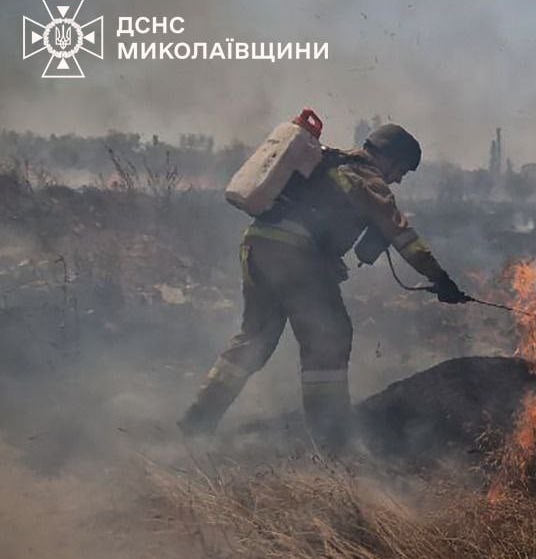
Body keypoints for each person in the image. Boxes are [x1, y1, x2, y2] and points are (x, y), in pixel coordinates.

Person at [178, 123, 469, 449]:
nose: (398, 179)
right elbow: (404, 237)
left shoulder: (329, 163)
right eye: (401, 170)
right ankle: (332, 441)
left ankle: (197, 421)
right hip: (294, 255)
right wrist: (440, 278)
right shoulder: (367, 178)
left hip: (257, 246)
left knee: (255, 339)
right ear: (388, 158)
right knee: (330, 337)